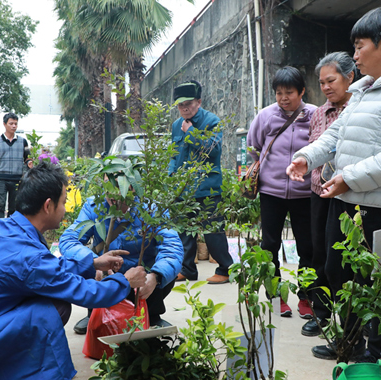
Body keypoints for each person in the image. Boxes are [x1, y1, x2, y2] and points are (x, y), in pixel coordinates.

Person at [0, 163, 147, 379]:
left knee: (48, 299)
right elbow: (85, 293)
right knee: (52, 309)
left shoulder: (3, 228)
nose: (65, 210)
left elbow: (48, 270)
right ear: (48, 206)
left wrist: (93, 263)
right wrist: (125, 281)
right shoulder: (27, 258)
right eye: (63, 202)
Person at [287, 6, 381, 362]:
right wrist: (306, 157)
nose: (355, 56)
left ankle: (375, 352)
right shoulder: (362, 91)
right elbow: (334, 136)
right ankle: (348, 342)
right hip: (347, 201)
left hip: (380, 207)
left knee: (374, 283)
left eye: (360, 47)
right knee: (337, 271)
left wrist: (349, 177)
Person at [247, 67, 317, 317]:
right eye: (279, 93)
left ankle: (306, 297)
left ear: (302, 92)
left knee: (307, 246)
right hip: (271, 192)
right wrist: (268, 171)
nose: (283, 98)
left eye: (289, 92)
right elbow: (253, 147)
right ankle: (276, 297)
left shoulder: (314, 115)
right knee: (269, 245)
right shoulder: (266, 116)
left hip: (305, 193)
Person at [60, 196, 184, 334]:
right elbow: (69, 241)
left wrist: (156, 276)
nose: (115, 192)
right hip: (106, 277)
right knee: (81, 263)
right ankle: (95, 314)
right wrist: (94, 263)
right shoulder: (94, 206)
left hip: (142, 280)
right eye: (110, 183)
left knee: (166, 269)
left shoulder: (152, 208)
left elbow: (172, 247)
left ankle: (152, 315)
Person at [301, 52, 356, 338]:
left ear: (350, 77)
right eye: (321, 82)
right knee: (318, 252)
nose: (325, 87)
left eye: (331, 80)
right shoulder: (318, 113)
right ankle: (320, 314)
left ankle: (346, 320)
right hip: (317, 193)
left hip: (346, 194)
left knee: (343, 259)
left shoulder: (358, 110)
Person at [168, 80, 233, 284]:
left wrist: (191, 133)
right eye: (180, 105)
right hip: (183, 187)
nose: (184, 108)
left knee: (213, 231)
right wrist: (171, 176)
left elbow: (213, 150)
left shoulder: (211, 121)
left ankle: (225, 269)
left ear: (199, 101)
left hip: (207, 187)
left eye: (188, 103)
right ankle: (187, 270)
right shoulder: (175, 126)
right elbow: (174, 155)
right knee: (184, 233)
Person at [0, 112, 32, 220]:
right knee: (1, 204)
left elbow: (28, 157)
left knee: (14, 206)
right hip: (2, 179)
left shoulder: (23, 141)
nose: (14, 126)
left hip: (17, 179)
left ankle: (10, 229)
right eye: (11, 123)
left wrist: (29, 162)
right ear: (4, 124)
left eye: (16, 124)